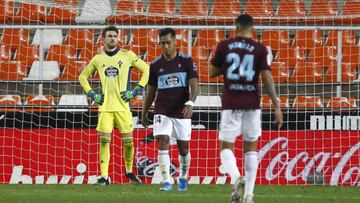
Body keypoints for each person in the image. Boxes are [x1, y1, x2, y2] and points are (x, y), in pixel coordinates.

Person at [209, 14, 283, 203]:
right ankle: (249, 195)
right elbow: (266, 77)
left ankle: (236, 178)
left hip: (231, 104)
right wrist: (276, 104)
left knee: (226, 148)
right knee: (251, 149)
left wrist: (227, 67)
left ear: (236, 27)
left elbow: (211, 73)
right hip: (252, 104)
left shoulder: (224, 46)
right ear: (252, 28)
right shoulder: (260, 49)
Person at [79, 25, 149, 186]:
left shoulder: (128, 55)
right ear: (103, 39)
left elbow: (147, 69)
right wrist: (92, 94)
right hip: (105, 108)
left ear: (118, 38)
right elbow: (82, 77)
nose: (112, 38)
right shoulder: (98, 58)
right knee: (104, 141)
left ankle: (129, 171)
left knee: (129, 142)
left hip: (123, 107)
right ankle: (104, 176)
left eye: (115, 36)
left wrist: (136, 90)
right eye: (109, 36)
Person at [141, 28, 199, 191]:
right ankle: (166, 181)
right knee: (163, 140)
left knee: (183, 148)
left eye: (168, 43)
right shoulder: (155, 65)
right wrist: (144, 111)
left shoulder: (186, 61)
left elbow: (194, 86)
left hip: (181, 110)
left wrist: (190, 103)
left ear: (175, 42)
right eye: (163, 43)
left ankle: (183, 176)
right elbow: (151, 91)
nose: (165, 46)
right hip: (162, 109)